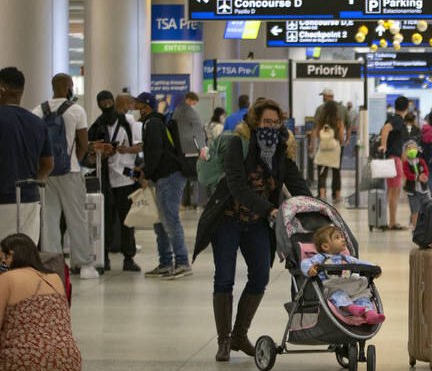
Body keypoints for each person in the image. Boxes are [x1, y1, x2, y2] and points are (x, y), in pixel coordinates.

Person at [195, 98, 311, 362]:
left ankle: (239, 334)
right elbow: (237, 186)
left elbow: (295, 182)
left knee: (260, 277)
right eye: (266, 121)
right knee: (224, 278)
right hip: (227, 220)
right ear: (255, 121)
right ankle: (224, 340)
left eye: (276, 122)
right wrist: (269, 210)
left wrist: (314, 207)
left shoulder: (281, 148)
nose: (271, 126)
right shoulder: (237, 144)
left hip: (257, 223)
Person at [32, 74, 98, 280]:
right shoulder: (76, 110)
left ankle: (54, 265)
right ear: (69, 86)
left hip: (46, 173)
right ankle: (84, 264)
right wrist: (74, 161)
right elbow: (83, 144)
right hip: (71, 172)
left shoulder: (38, 110)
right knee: (76, 218)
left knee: (49, 220)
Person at [0, 233, 82, 370]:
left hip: (25, 358)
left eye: (3, 259)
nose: (2, 265)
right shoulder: (55, 278)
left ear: (11, 255)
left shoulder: (7, 278)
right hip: (68, 357)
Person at [134, 92, 192, 280]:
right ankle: (166, 262)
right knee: (160, 223)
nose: (136, 110)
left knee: (170, 220)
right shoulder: (154, 122)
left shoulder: (152, 123)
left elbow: (155, 152)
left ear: (146, 107)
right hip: (164, 176)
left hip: (169, 177)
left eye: (138, 106)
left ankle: (182, 262)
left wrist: (146, 173)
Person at [87, 91, 142, 272]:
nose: (107, 105)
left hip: (126, 178)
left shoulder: (128, 122)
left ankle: (129, 257)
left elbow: (139, 145)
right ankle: (104, 257)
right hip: (105, 179)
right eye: (103, 102)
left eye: (109, 101)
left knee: (127, 221)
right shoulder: (97, 125)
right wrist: (102, 152)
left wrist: (125, 150)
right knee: (105, 221)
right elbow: (88, 152)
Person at [0, 67, 53, 243]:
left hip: (2, 201)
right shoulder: (38, 123)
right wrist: (32, 182)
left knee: (2, 254)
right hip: (29, 201)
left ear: (2, 89)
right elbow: (48, 164)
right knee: (24, 252)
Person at [301, 225, 385, 325]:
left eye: (342, 236)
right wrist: (310, 269)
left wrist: (373, 268)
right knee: (338, 295)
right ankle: (350, 308)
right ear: (325, 246)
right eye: (337, 237)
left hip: (350, 286)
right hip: (333, 287)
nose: (343, 239)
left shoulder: (346, 258)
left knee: (363, 296)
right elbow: (305, 263)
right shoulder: (320, 258)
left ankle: (370, 313)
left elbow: (360, 263)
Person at [378, 96, 408, 230]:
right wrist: (383, 145)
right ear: (407, 108)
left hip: (395, 158)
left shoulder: (392, 118)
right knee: (394, 191)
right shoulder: (398, 120)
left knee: (393, 190)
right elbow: (386, 129)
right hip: (393, 159)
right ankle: (392, 221)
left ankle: (391, 220)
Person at [173, 92, 207, 209]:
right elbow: (198, 132)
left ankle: (184, 202)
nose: (194, 104)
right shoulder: (191, 113)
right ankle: (196, 201)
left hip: (180, 150)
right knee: (196, 176)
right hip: (192, 149)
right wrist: (202, 148)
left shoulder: (176, 111)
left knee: (184, 176)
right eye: (193, 102)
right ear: (189, 99)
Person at [314, 100, 345, 203]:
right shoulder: (338, 121)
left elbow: (317, 134)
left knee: (322, 172)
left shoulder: (321, 120)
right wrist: (339, 141)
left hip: (323, 148)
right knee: (336, 172)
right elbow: (341, 136)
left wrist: (325, 139)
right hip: (335, 149)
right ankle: (337, 196)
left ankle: (322, 195)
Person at [402, 140, 431, 229]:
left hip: (423, 190)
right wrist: (417, 177)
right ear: (406, 151)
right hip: (412, 191)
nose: (412, 150)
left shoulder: (421, 161)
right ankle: (415, 228)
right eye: (409, 148)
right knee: (415, 210)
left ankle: (426, 226)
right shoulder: (406, 163)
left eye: (414, 148)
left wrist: (425, 176)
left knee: (427, 208)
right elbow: (407, 174)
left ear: (417, 149)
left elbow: (426, 171)